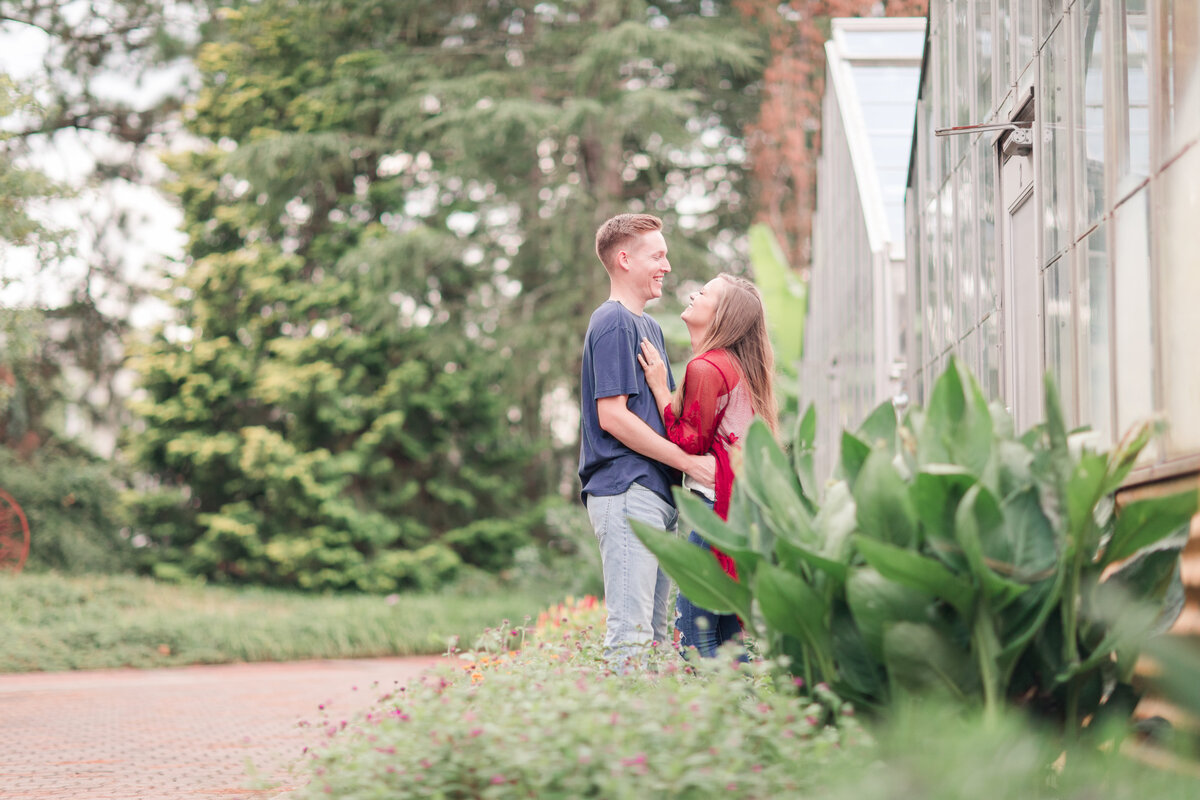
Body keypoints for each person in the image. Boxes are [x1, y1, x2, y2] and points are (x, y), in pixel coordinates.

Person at [579, 213, 716, 667]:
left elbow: (665, 415)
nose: (667, 266)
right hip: (626, 490)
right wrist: (692, 464)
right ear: (623, 259)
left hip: (658, 496)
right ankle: (618, 737)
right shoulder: (613, 321)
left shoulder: (650, 328)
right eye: (657, 256)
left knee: (655, 637)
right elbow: (613, 417)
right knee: (632, 634)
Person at [637, 272, 779, 657]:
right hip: (739, 510)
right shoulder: (736, 366)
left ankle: (721, 713)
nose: (694, 294)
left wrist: (660, 389)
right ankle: (752, 712)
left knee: (694, 631)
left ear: (722, 316)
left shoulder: (707, 367)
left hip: (714, 508)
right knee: (727, 632)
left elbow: (689, 440)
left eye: (705, 293)